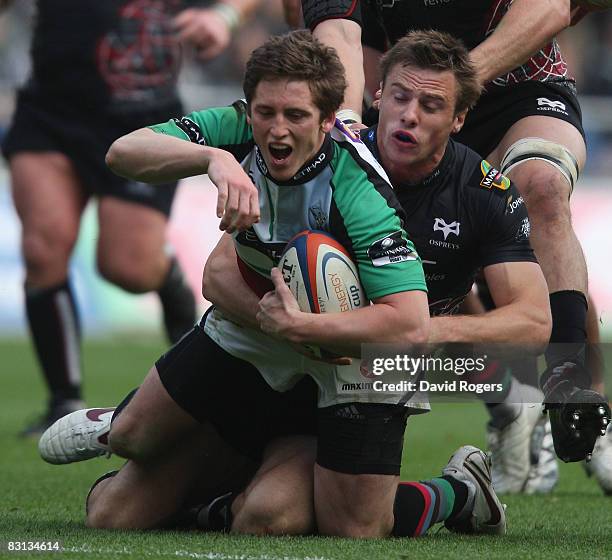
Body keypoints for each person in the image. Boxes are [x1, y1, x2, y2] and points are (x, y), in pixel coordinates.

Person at [38, 31, 517, 539]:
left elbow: (410, 323)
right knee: (118, 496)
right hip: (255, 334)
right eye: (265, 113)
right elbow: (123, 153)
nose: (277, 130)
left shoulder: (360, 189)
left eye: (296, 116)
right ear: (248, 110)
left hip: (347, 356)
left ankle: (460, 492)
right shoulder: (238, 130)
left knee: (339, 525)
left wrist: (304, 325)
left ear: (328, 120)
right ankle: (128, 423)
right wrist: (212, 158)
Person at [298, 0, 611, 489]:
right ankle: (508, 402)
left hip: (515, 87)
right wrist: (343, 117)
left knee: (542, 187)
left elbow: (548, 9)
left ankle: (571, 387)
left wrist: (452, 88)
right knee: (425, 275)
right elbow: (337, 32)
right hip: (402, 96)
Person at [2, 0, 260, 436]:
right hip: (51, 112)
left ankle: (167, 280)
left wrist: (224, 16)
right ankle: (63, 400)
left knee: (128, 268)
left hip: (143, 118)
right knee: (42, 248)